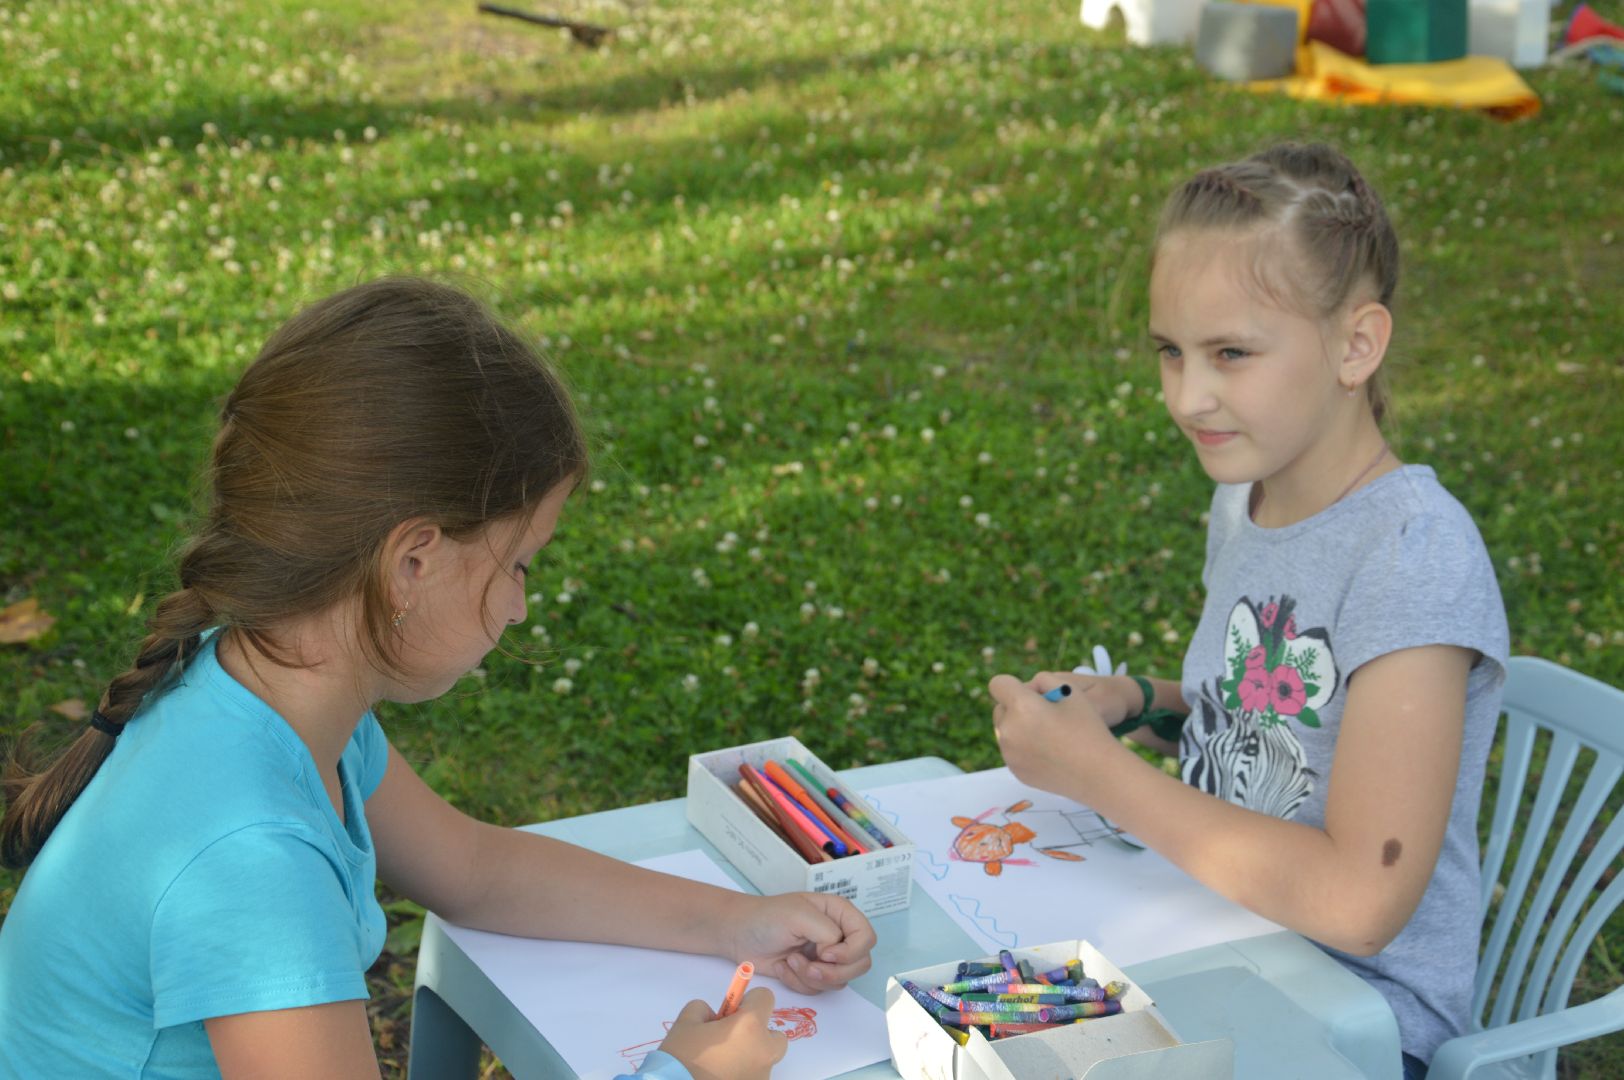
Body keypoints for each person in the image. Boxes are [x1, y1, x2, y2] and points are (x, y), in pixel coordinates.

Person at [0, 277, 874, 1080]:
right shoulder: (252, 861)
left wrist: (736, 923)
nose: (523, 607)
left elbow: (475, 869)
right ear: (412, 562)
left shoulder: (269, 679)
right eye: (520, 563)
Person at [988, 143, 1509, 1080]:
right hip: (1208, 932)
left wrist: (1103, 779)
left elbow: (1360, 900)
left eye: (1231, 352)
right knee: (965, 1011)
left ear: (1357, 345)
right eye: (1171, 352)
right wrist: (1137, 701)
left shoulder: (1413, 559)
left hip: (1351, 1021)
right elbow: (1274, 724)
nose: (1190, 396)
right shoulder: (1249, 498)